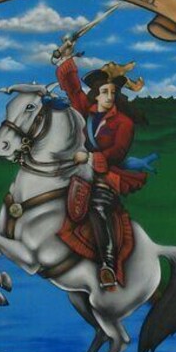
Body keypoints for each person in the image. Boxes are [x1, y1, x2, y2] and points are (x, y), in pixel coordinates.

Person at [55, 41, 147, 289]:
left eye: (112, 93)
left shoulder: (124, 123)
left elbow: (117, 152)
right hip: (78, 170)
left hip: (107, 174)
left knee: (98, 206)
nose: (108, 97)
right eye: (104, 92)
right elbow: (74, 90)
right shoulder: (87, 109)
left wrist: (91, 157)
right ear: (96, 93)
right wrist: (66, 58)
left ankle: (107, 264)